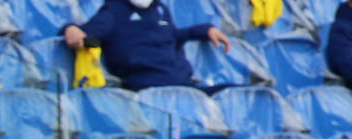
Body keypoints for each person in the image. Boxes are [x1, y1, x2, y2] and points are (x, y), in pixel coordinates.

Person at [61, 0, 231, 91]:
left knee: (238, 93)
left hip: (185, 87)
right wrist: (70, 30)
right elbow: (90, 38)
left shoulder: (160, 9)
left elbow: (171, 36)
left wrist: (205, 30)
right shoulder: (113, 11)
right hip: (150, 90)